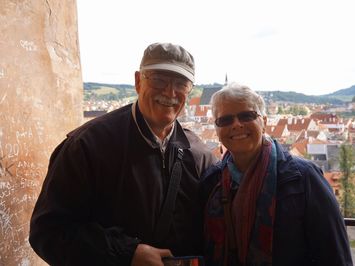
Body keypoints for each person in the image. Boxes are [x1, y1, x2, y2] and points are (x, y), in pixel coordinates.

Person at [29, 42, 217, 266]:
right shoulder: (87, 145)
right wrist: (127, 254)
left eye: (181, 84)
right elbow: (48, 232)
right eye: (158, 80)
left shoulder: (198, 154)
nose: (170, 92)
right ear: (138, 81)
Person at [201, 83, 353, 266]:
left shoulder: (304, 178)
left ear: (264, 122)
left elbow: (335, 256)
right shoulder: (211, 182)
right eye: (225, 120)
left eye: (246, 116)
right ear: (216, 129)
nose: (236, 125)